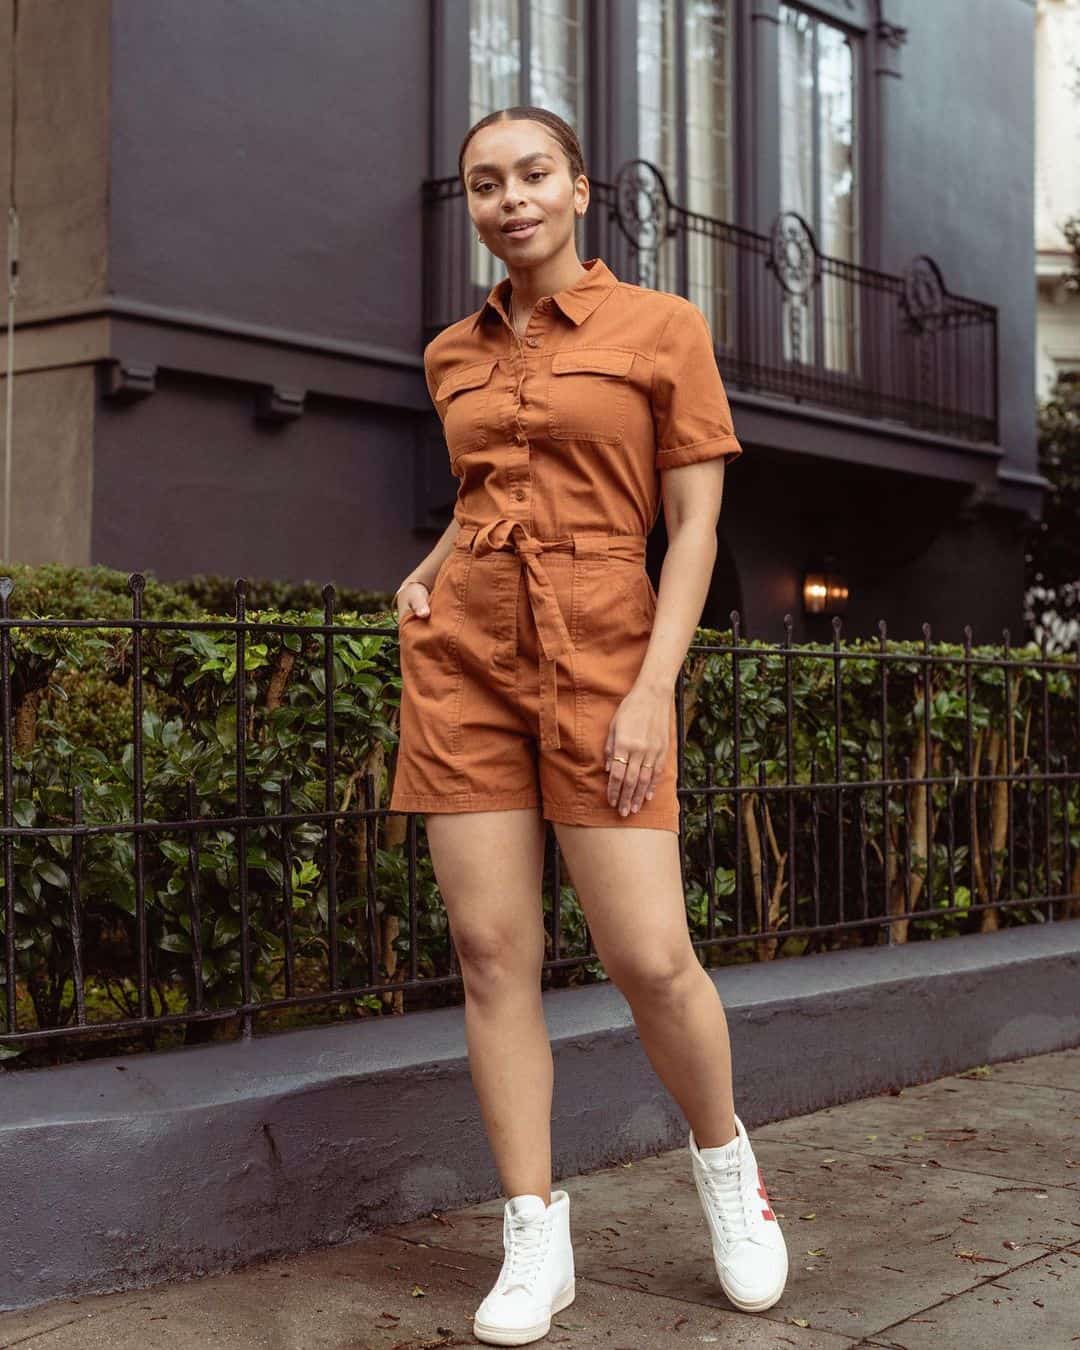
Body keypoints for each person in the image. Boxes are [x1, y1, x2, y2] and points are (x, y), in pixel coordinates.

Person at [389, 106, 788, 1346]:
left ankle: (729, 1173)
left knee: (648, 957)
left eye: (532, 175)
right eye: (484, 184)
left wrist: (653, 688)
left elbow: (695, 526)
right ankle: (532, 1231)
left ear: (579, 190)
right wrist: (430, 564)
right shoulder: (449, 352)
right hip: (465, 658)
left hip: (608, 648)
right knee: (492, 952)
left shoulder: (662, 328)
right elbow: (487, 490)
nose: (510, 198)